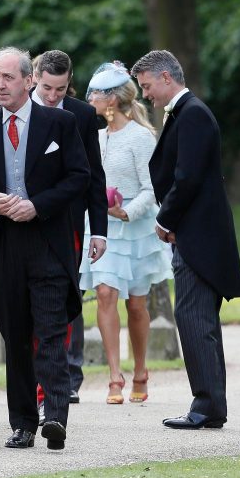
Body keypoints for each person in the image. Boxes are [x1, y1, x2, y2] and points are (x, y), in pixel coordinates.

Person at [0, 47, 90, 450]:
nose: (0, 85)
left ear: (28, 80)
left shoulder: (61, 123)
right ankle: (23, 424)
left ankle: (55, 416)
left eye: (8, 78)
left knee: (51, 332)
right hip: (4, 244)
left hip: (48, 241)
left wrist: (39, 204)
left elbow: (80, 177)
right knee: (15, 336)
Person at [131, 50, 240, 430]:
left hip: (198, 237)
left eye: (147, 86)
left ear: (166, 78)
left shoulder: (193, 114)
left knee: (194, 318)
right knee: (197, 319)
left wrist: (165, 220)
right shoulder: (189, 112)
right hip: (196, 234)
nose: (145, 95)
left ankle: (207, 406)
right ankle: (210, 404)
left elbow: (189, 178)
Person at [79, 61, 171, 404]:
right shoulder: (94, 137)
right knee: (104, 293)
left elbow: (152, 189)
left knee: (136, 303)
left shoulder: (140, 137)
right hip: (102, 226)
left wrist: (127, 212)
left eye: (95, 95)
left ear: (112, 101)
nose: (90, 100)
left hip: (134, 226)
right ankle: (114, 375)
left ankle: (141, 370)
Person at [31, 50, 109, 407]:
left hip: (68, 225)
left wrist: (99, 230)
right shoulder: (14, 112)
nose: (52, 96)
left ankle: (55, 385)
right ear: (34, 77)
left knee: (62, 302)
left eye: (60, 89)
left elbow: (94, 176)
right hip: (22, 224)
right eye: (47, 87)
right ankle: (30, 382)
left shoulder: (82, 115)